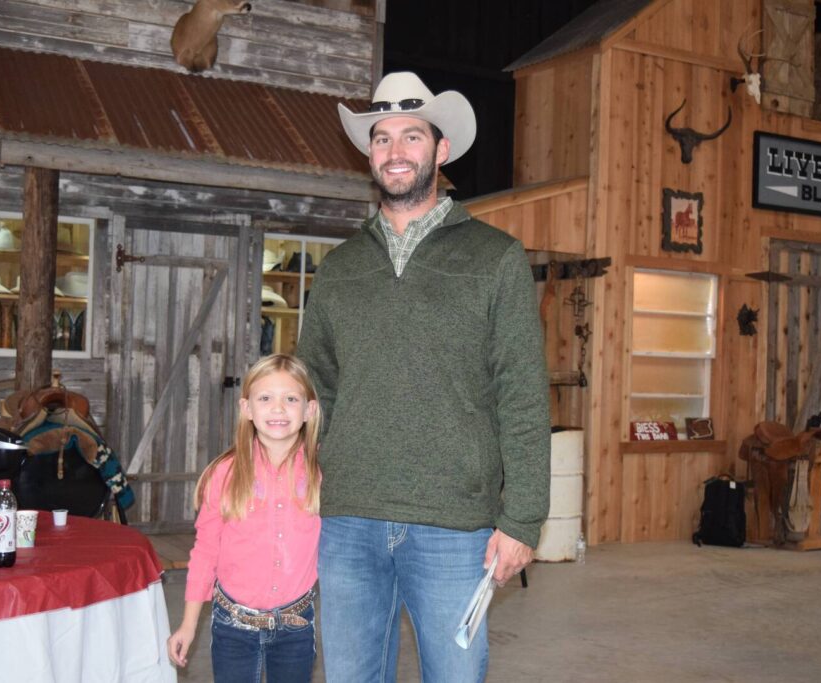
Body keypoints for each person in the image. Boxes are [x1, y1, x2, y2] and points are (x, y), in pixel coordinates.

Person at [296, 71, 551, 681]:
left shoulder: (495, 258)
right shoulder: (339, 269)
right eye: (382, 138)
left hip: (455, 527)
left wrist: (522, 518)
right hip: (350, 519)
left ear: (440, 150)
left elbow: (521, 393)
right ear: (370, 154)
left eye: (411, 136)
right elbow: (312, 389)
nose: (395, 151)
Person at [167, 353, 322, 682]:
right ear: (246, 408)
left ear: (309, 410)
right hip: (233, 625)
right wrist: (188, 624)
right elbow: (205, 551)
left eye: (290, 399)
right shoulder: (224, 474)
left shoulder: (322, 475)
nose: (278, 408)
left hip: (296, 624)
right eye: (265, 398)